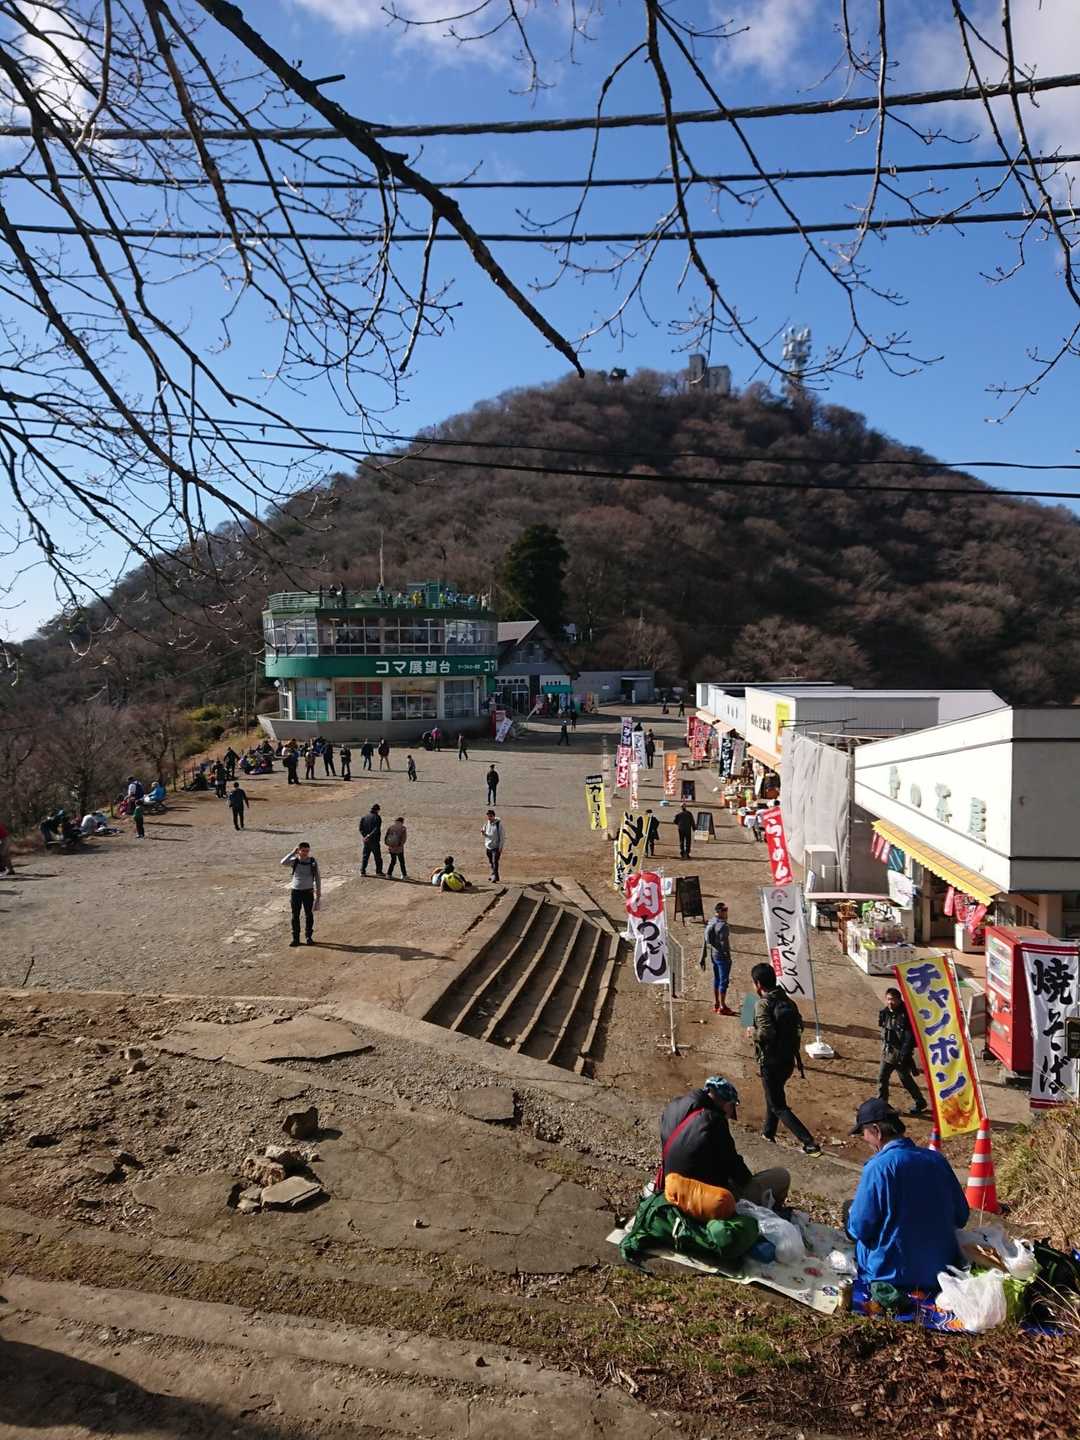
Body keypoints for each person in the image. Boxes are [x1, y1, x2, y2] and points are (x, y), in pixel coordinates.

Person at [846, 1097, 968, 1293]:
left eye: (864, 1133)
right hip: (941, 1270)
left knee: (851, 1213)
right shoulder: (936, 1159)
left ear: (876, 1131)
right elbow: (961, 1216)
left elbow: (860, 1228)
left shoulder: (878, 1168)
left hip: (891, 1273)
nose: (865, 1139)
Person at [659, 1076, 790, 1210]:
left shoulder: (673, 1107)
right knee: (782, 1175)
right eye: (733, 1107)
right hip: (701, 1197)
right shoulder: (714, 1121)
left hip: (671, 1187)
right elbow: (737, 1171)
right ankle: (772, 1214)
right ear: (728, 1104)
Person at [748, 963, 821, 1156]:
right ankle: (768, 1133)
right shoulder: (788, 1001)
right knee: (773, 1097)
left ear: (758, 984)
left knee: (778, 1105)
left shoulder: (762, 1004)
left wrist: (752, 1033)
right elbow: (800, 1026)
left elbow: (766, 1032)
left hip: (770, 1061)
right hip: (788, 1060)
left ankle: (809, 1142)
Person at [878, 988, 928, 1115]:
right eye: (888, 999)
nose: (890, 1002)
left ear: (899, 1000)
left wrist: (904, 1055)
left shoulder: (906, 1016)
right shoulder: (885, 1013)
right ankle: (882, 1104)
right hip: (887, 1052)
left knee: (906, 1080)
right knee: (882, 1078)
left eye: (893, 999)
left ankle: (920, 1102)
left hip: (900, 1055)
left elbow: (909, 1038)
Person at [282, 841, 321, 947]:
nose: (305, 853)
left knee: (309, 915)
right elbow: (283, 862)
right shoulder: (294, 861)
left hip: (308, 891)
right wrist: (292, 852)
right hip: (296, 892)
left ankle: (308, 937)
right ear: (298, 850)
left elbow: (317, 877)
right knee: (295, 915)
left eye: (307, 851)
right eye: (303, 851)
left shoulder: (312, 862)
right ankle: (296, 939)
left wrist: (318, 893)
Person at [704, 902, 735, 1015]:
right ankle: (722, 1006)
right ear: (720, 912)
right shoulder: (723, 926)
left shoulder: (712, 921)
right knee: (724, 981)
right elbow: (723, 943)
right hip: (722, 957)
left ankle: (716, 1003)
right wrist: (727, 956)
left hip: (714, 954)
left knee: (717, 979)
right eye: (725, 910)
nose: (727, 912)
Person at [359, 803, 384, 877]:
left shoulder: (364, 817)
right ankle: (378, 872)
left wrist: (365, 836)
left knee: (365, 856)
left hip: (366, 841)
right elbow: (376, 829)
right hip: (374, 840)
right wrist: (369, 836)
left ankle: (362, 871)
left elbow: (360, 828)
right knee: (377, 857)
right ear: (377, 810)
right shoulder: (377, 817)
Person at [482, 809, 505, 882]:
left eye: (491, 816)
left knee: (495, 862)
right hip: (488, 846)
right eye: (488, 816)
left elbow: (502, 837)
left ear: (494, 816)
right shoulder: (487, 824)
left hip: (496, 847)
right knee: (491, 862)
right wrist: (483, 833)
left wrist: (500, 848)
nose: (489, 818)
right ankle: (495, 875)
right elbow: (486, 834)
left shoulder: (499, 825)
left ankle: (494, 876)